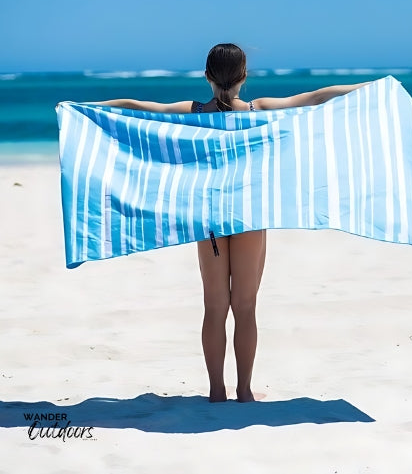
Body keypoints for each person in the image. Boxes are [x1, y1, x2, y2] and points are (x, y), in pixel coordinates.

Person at [95, 43, 369, 402]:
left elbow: (136, 109)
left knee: (214, 307)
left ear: (207, 76)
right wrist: (372, 88)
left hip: (207, 218)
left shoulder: (192, 112)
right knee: (245, 307)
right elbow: (317, 98)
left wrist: (84, 110)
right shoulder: (259, 110)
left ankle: (215, 390)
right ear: (244, 76)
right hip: (249, 216)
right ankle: (244, 391)